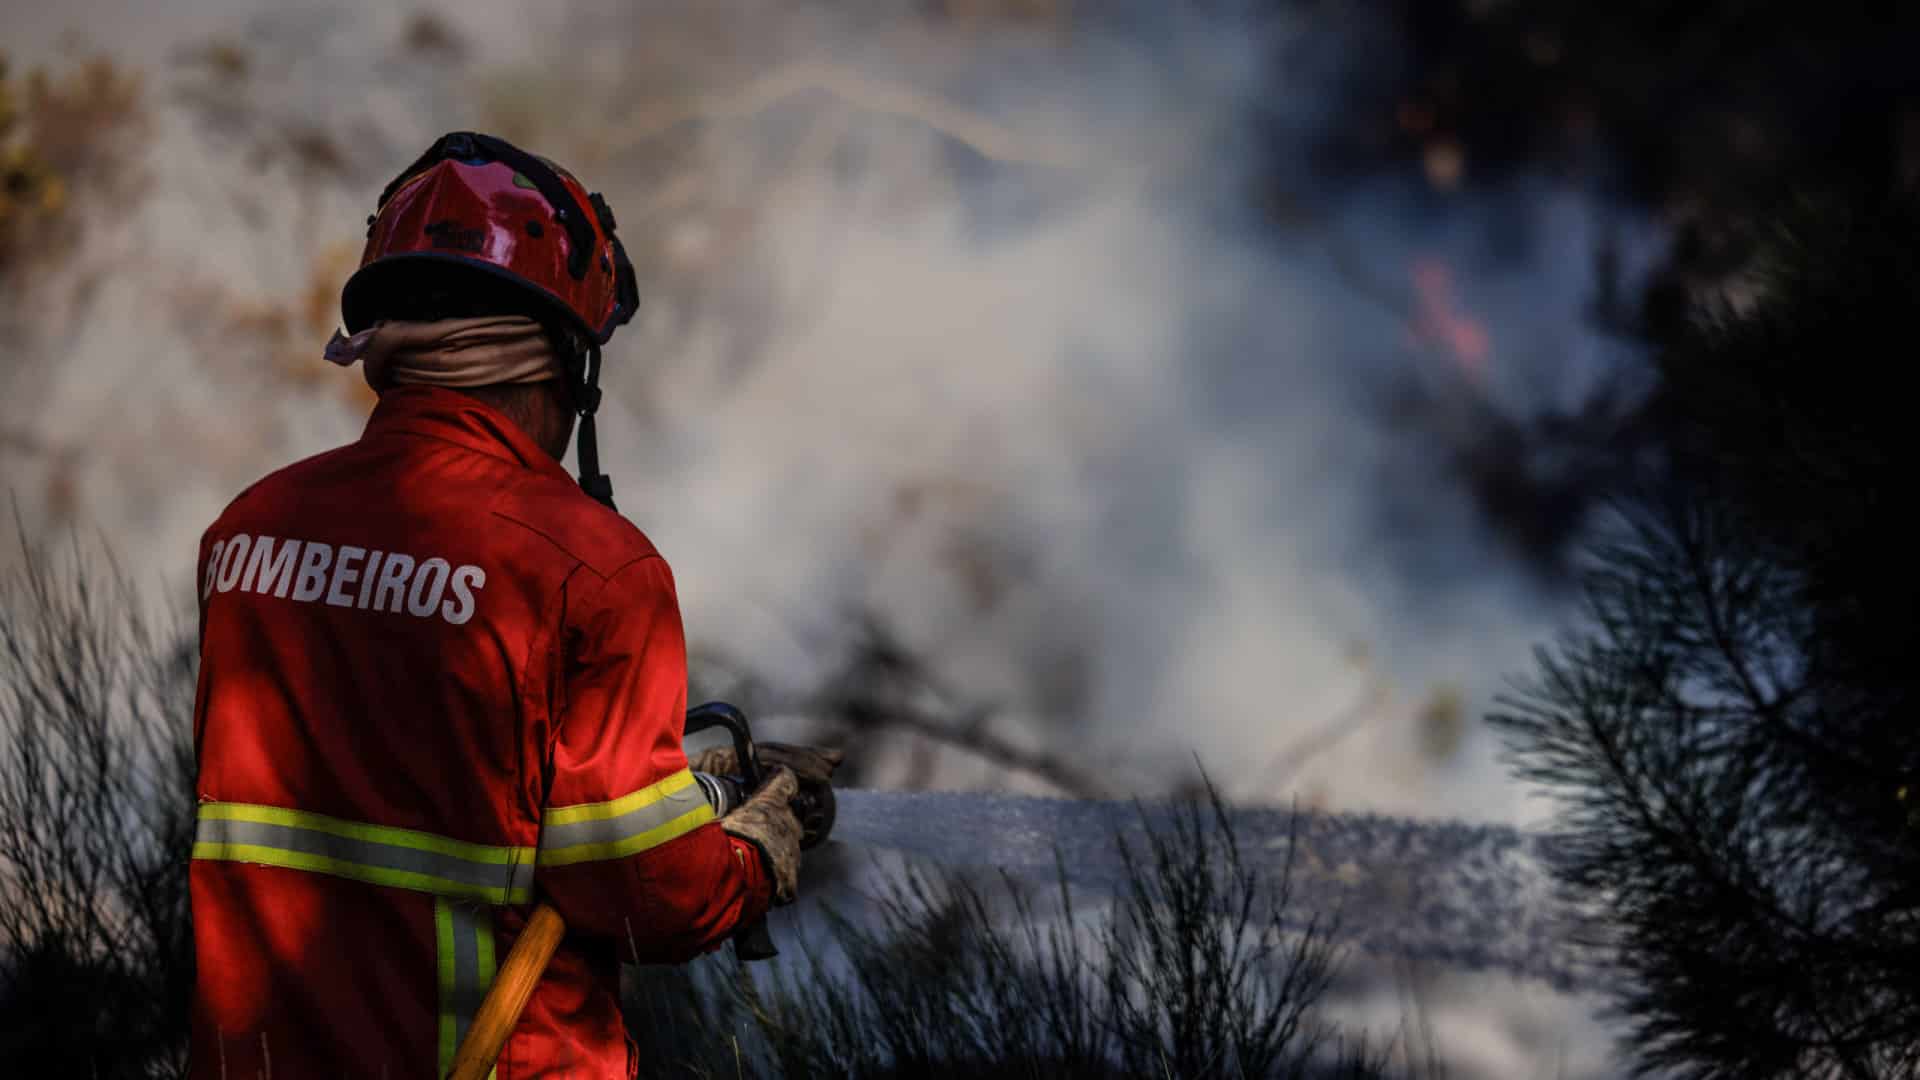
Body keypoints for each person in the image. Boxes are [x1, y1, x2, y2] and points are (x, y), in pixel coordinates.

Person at [187, 131, 841, 1078]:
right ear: (561, 365)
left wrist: (682, 794)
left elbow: (414, 779)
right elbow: (643, 894)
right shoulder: (591, 569)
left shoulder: (248, 534)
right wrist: (749, 855)